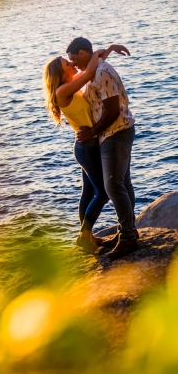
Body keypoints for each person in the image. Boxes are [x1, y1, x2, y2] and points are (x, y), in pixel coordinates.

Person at [67, 37, 137, 259]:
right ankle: (128, 232)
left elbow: (113, 110)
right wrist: (107, 49)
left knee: (113, 186)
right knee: (121, 184)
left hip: (116, 133)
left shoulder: (102, 73)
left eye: (73, 58)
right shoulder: (92, 70)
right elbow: (94, 59)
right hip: (109, 134)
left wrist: (93, 131)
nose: (73, 63)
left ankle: (127, 238)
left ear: (82, 53)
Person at [43, 48, 115, 253]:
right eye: (68, 63)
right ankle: (84, 237)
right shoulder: (62, 91)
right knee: (102, 193)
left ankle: (88, 236)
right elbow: (90, 72)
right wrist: (98, 52)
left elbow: (92, 71)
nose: (72, 64)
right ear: (60, 73)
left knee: (88, 192)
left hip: (87, 145)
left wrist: (104, 54)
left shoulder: (72, 88)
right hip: (86, 148)